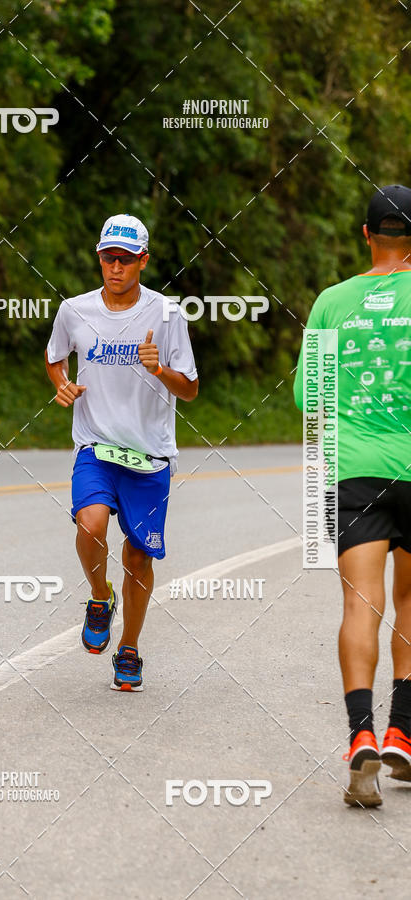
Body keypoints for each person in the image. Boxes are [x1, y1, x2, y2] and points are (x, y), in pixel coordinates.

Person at [44, 214, 198, 691]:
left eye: (126, 260)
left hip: (149, 455)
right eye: (109, 257)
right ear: (99, 258)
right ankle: (98, 596)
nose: (116, 267)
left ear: (143, 262)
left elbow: (190, 390)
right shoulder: (74, 310)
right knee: (89, 522)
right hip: (96, 445)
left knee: (138, 556)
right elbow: (55, 357)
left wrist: (160, 371)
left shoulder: (168, 315)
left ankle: (129, 647)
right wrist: (64, 385)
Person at [294, 184, 411, 807]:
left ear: (366, 235)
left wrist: (326, 472)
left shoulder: (332, 302)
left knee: (359, 606)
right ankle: (403, 734)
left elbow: (305, 402)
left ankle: (361, 734)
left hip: (353, 470)